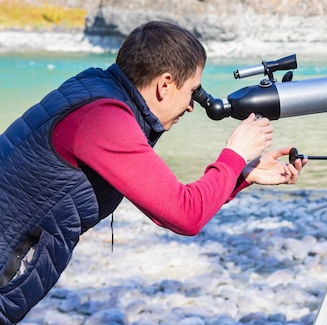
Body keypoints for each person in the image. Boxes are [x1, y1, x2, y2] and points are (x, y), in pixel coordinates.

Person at [0, 21, 306, 324]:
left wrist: (241, 173)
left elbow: (167, 200)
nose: (191, 107)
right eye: (192, 92)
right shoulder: (103, 118)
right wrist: (234, 153)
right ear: (165, 84)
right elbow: (184, 215)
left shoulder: (99, 91)